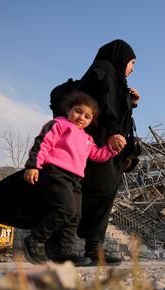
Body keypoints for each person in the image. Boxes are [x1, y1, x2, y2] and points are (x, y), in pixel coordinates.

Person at [0, 92, 120, 266]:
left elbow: (97, 155)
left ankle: (64, 252)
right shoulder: (59, 125)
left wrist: (112, 149)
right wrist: (33, 166)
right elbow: (43, 143)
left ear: (91, 120)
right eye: (78, 111)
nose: (81, 117)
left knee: (75, 216)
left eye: (87, 116)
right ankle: (35, 240)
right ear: (69, 109)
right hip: (55, 173)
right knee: (66, 209)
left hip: (75, 180)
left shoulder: (87, 139)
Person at [48, 39, 139, 265]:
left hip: (110, 150)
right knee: (87, 194)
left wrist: (131, 101)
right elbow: (102, 107)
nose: (133, 68)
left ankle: (94, 250)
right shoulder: (102, 71)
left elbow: (115, 108)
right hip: (96, 145)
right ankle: (59, 247)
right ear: (120, 57)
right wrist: (113, 131)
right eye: (132, 62)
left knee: (104, 195)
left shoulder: (115, 80)